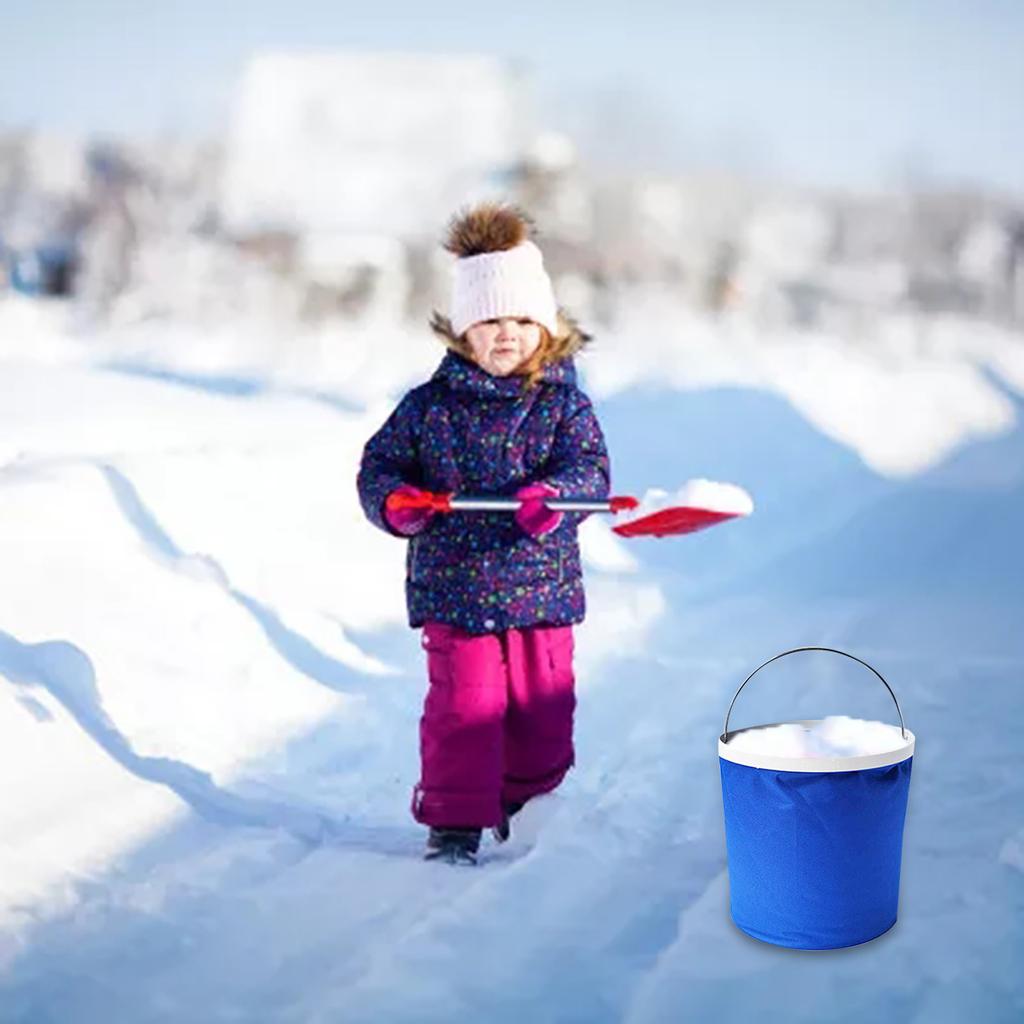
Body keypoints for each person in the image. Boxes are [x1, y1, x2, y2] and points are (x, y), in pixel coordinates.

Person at [356, 202, 610, 865]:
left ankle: (527, 805)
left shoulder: (564, 406)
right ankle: (455, 822)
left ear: (546, 328)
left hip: (540, 591)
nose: (507, 334)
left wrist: (554, 498)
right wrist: (397, 503)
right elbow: (380, 468)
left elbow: (590, 471)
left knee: (541, 711)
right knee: (464, 707)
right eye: (491, 321)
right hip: (456, 588)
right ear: (463, 330)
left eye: (522, 321)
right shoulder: (427, 407)